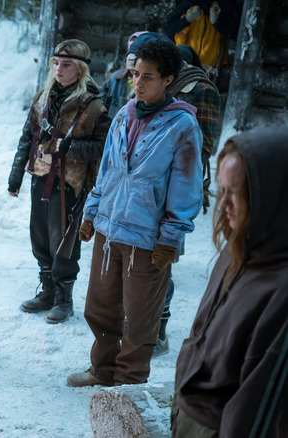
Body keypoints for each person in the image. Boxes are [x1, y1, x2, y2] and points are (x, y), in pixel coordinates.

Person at [67, 40, 203, 387]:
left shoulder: (182, 126)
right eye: (134, 75)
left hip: (147, 238)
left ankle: (129, 384)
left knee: (141, 319)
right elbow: (108, 172)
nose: (138, 84)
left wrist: (170, 239)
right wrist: (91, 213)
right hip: (109, 231)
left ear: (168, 80)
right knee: (99, 309)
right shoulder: (125, 113)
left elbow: (186, 188)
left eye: (148, 77)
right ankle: (103, 371)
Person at [173, 127, 288, 437]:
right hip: (190, 415)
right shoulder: (237, 248)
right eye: (222, 189)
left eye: (238, 192)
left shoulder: (281, 291)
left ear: (275, 196)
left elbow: (258, 408)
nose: (224, 204)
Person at [8, 39, 110, 324]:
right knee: (39, 237)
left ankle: (64, 299)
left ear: (79, 70)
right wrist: (16, 175)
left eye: (66, 65)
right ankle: (48, 292)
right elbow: (27, 137)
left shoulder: (93, 105)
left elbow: (102, 147)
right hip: (39, 176)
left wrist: (66, 148)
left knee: (63, 241)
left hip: (69, 183)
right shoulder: (44, 95)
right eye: (55, 63)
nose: (58, 69)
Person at [154, 44, 222, 357]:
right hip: (150, 181)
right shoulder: (159, 83)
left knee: (163, 256)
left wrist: (172, 151)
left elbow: (205, 142)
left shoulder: (203, 90)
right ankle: (139, 321)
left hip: (178, 183)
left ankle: (158, 328)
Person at [101, 32, 173, 116]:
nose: (138, 83)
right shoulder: (116, 80)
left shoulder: (177, 117)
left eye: (147, 77)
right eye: (136, 73)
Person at [163, 0, 240, 70]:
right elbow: (168, 28)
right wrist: (186, 20)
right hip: (187, 64)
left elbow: (237, 35)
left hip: (212, 69)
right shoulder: (189, 3)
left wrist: (217, 24)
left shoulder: (225, 5)